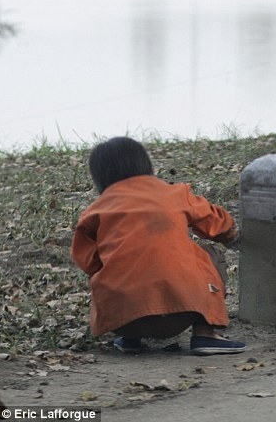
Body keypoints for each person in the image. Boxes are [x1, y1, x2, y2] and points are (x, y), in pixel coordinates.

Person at [71, 137, 246, 355]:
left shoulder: (94, 212)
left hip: (123, 318)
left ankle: (130, 340)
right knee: (211, 254)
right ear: (146, 164)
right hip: (184, 310)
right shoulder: (175, 194)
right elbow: (219, 224)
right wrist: (231, 236)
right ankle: (206, 333)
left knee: (115, 267)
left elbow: (88, 262)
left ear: (99, 176)